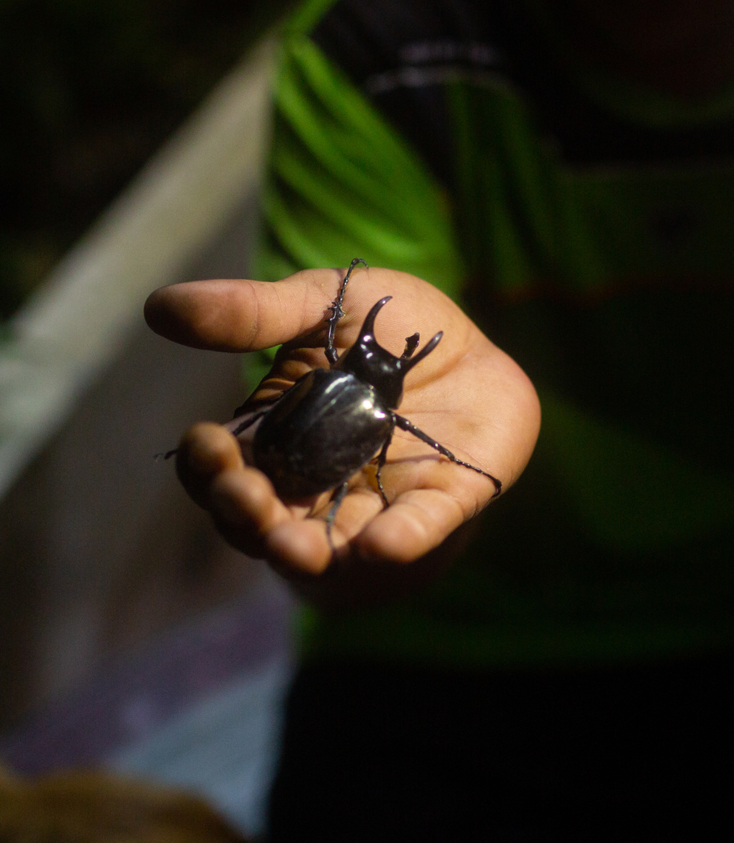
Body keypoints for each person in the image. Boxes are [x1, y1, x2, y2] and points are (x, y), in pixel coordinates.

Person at [145, 0, 734, 839]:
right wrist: (396, 541)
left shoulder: (375, 396)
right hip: (435, 649)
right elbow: (339, 466)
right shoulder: (376, 42)